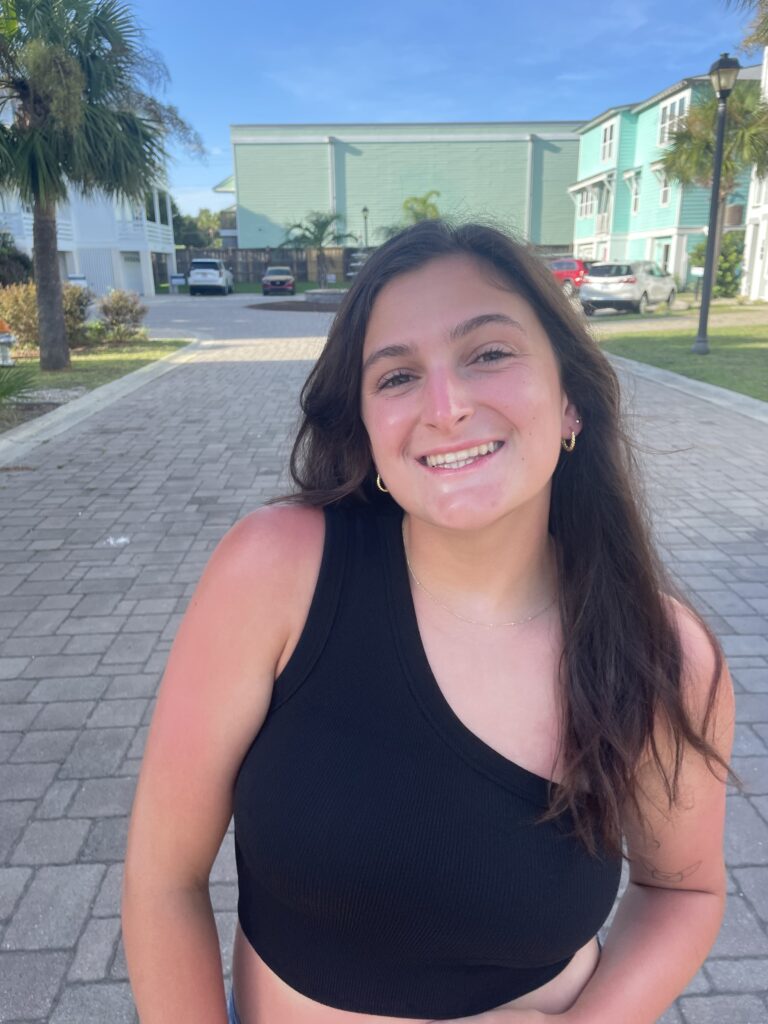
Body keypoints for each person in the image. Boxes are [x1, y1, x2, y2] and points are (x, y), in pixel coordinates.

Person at [123, 221, 734, 1024]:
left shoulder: (663, 653)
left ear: (571, 399)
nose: (445, 408)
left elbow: (682, 887)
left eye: (488, 353)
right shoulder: (275, 572)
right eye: (398, 376)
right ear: (368, 428)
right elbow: (162, 878)